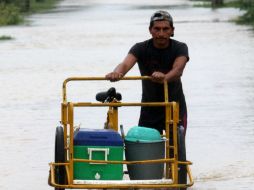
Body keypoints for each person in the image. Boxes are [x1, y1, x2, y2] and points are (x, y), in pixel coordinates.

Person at [106, 10, 189, 135]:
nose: (161, 33)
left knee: (175, 151)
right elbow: (125, 64)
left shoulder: (180, 47)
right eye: (157, 29)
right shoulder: (140, 48)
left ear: (172, 30)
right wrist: (116, 73)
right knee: (147, 150)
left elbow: (178, 70)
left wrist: (165, 77)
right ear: (150, 30)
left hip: (174, 107)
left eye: (165, 29)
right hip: (149, 108)